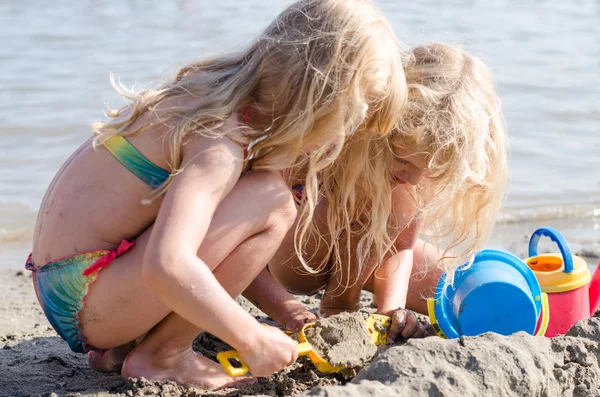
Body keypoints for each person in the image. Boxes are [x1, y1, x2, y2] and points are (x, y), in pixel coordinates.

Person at [25, 0, 407, 389]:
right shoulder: (219, 145)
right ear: (316, 101)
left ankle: (129, 341)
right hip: (90, 299)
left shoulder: (210, 94)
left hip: (68, 283)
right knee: (272, 205)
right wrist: (251, 337)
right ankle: (162, 355)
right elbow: (168, 263)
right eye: (347, 120)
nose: (342, 137)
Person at [258, 43, 508, 341]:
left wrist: (391, 311)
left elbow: (401, 247)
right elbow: (240, 235)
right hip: (289, 255)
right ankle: (339, 305)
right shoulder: (329, 140)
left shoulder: (408, 180)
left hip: (352, 257)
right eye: (403, 159)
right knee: (378, 196)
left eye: (428, 169)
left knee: (467, 289)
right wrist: (287, 309)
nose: (412, 176)